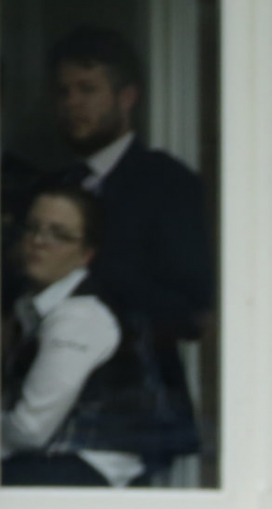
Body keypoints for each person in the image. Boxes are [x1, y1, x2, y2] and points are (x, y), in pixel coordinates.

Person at [43, 26, 212, 479]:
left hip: (129, 415)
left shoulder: (166, 184)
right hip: (45, 405)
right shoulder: (55, 188)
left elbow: (192, 311)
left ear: (127, 97)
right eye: (64, 92)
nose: (72, 103)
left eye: (88, 89)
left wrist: (97, 271)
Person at [3, 186, 145, 486]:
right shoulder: (34, 306)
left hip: (86, 472)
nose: (39, 242)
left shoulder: (78, 316)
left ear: (86, 254)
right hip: (46, 462)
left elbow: (30, 430)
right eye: (33, 228)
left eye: (58, 234)